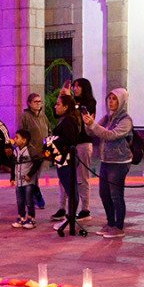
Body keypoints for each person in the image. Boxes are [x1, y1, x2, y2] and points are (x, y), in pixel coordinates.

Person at [85, 88, 133, 237]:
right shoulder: (107, 118)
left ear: (121, 101)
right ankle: (110, 222)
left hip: (119, 162)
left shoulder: (125, 119)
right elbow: (92, 132)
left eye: (114, 99)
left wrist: (94, 125)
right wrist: (88, 123)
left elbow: (111, 135)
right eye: (109, 98)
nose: (111, 101)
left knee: (116, 194)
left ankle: (119, 227)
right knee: (104, 193)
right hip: (105, 160)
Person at [49, 92, 88, 235]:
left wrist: (53, 141)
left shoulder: (68, 121)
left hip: (67, 159)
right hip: (63, 159)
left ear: (66, 107)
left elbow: (70, 140)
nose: (55, 106)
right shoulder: (66, 119)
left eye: (58, 104)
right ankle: (70, 218)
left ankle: (70, 219)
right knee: (69, 188)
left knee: (71, 190)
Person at [65, 78, 98, 222]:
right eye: (74, 86)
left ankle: (85, 209)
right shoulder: (72, 102)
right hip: (71, 143)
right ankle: (68, 208)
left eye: (78, 86)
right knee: (69, 177)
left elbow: (84, 116)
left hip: (84, 143)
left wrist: (70, 100)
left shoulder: (90, 103)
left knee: (83, 177)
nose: (75, 88)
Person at [18, 93, 50, 213]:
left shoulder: (42, 116)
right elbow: (22, 133)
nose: (38, 104)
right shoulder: (25, 116)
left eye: (40, 101)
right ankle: (36, 197)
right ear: (29, 103)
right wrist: (28, 148)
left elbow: (48, 129)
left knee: (36, 177)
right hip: (31, 152)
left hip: (42, 152)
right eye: (36, 102)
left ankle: (33, 197)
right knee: (32, 177)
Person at [11, 128, 40, 229]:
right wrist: (12, 177)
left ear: (24, 140)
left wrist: (30, 174)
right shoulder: (15, 151)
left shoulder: (30, 149)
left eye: (17, 137)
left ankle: (31, 218)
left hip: (28, 181)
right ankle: (21, 217)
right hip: (18, 181)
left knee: (29, 200)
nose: (14, 139)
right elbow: (13, 165)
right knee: (20, 200)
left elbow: (38, 162)